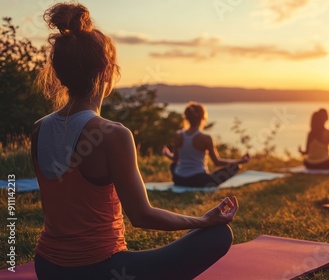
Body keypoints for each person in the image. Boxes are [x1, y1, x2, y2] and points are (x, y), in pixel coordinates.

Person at [31, 4, 237, 280]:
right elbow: (142, 216)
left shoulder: (38, 129)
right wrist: (202, 221)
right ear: (107, 72)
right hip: (102, 270)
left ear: (59, 74)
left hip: (47, 267)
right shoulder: (113, 134)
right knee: (217, 235)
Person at [162, 102, 251, 187]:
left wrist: (167, 154)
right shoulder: (206, 138)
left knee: (173, 166)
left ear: (186, 118)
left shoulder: (178, 135)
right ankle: (210, 181)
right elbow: (217, 162)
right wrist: (240, 161)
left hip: (179, 180)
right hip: (199, 181)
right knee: (235, 167)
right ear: (203, 118)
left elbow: (175, 159)